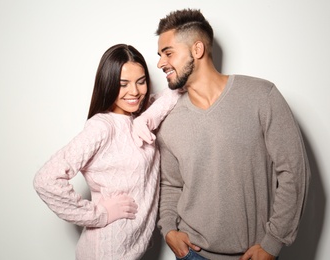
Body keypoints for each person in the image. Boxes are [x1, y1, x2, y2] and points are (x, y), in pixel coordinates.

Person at [142, 8, 311, 260]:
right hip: (192, 254)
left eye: (168, 53)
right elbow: (170, 183)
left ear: (196, 50)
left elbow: (293, 171)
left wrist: (273, 242)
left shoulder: (261, 96)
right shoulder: (169, 120)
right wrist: (168, 229)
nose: (160, 63)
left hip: (253, 254)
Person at [33, 43, 180, 260]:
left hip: (131, 251)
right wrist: (100, 215)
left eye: (141, 82)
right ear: (108, 84)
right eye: (123, 84)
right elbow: (45, 180)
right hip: (106, 251)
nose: (135, 92)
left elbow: (178, 90)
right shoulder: (103, 126)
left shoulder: (139, 117)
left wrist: (147, 118)